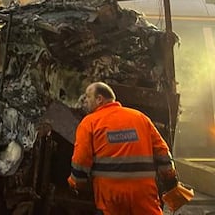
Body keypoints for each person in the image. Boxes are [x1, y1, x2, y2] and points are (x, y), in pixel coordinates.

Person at [68, 81, 177, 214]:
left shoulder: (89, 123)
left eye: (88, 96)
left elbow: (81, 161)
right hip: (143, 194)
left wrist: (76, 184)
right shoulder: (140, 118)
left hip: (111, 197)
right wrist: (170, 179)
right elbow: (162, 152)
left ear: (99, 99)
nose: (84, 100)